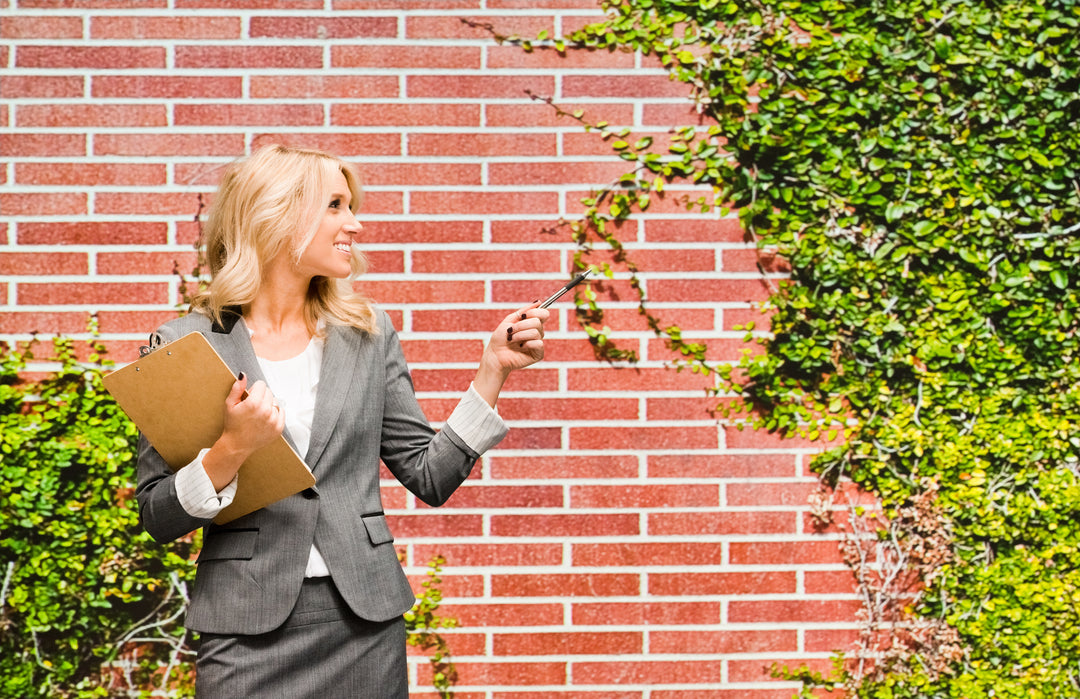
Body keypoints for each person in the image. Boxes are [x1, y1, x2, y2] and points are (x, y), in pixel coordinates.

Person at [135, 144, 550, 697]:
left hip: (363, 621)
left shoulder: (368, 333)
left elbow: (429, 475)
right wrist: (231, 449)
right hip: (244, 627)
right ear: (277, 215)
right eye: (334, 205)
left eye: (350, 205)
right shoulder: (184, 345)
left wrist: (492, 371)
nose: (354, 223)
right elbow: (158, 515)